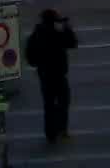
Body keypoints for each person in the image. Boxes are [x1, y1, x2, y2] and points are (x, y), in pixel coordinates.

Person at [25, 9, 77, 142]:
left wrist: (38, 64)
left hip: (45, 75)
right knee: (63, 103)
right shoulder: (56, 34)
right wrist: (66, 28)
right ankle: (62, 130)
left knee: (49, 105)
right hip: (59, 74)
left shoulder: (36, 35)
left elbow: (29, 55)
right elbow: (72, 43)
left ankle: (50, 134)